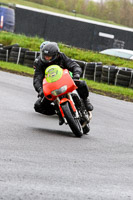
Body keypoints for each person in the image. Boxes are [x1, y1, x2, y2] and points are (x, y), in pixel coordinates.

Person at [33, 41, 93, 125]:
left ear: (55, 55)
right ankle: (58, 112)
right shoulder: (39, 62)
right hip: (51, 86)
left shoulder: (61, 57)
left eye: (49, 57)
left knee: (82, 84)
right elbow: (37, 78)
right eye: (45, 56)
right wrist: (40, 90)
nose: (46, 58)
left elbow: (74, 65)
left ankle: (85, 101)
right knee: (38, 106)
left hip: (65, 80)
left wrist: (76, 75)